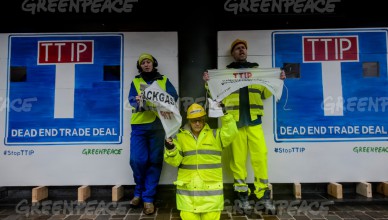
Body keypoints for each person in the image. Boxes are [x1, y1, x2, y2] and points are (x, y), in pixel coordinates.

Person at [203, 39, 286, 214]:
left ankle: (263, 197)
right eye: (237, 48)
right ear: (232, 53)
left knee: (260, 158)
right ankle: (242, 197)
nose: (241, 50)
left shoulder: (257, 72)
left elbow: (265, 92)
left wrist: (278, 80)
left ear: (246, 52)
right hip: (235, 123)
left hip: (254, 121)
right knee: (237, 161)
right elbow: (215, 94)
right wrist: (208, 82)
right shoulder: (225, 74)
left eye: (243, 48)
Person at [164, 103, 238, 220]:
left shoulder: (216, 135)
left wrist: (224, 114)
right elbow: (175, 162)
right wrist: (170, 149)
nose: (197, 123)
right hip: (188, 197)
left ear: (204, 120)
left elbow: (232, 132)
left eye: (200, 120)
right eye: (194, 121)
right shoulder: (180, 138)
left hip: (211, 197)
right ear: (189, 121)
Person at [128, 53, 179, 215]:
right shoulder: (136, 81)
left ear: (153, 64)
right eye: (143, 62)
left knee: (155, 161)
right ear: (140, 66)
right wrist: (136, 100)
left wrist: (162, 103)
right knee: (137, 160)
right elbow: (130, 100)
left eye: (148, 61)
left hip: (158, 126)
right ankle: (138, 191)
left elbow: (174, 97)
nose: (146, 64)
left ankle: (148, 198)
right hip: (139, 126)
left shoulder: (163, 80)